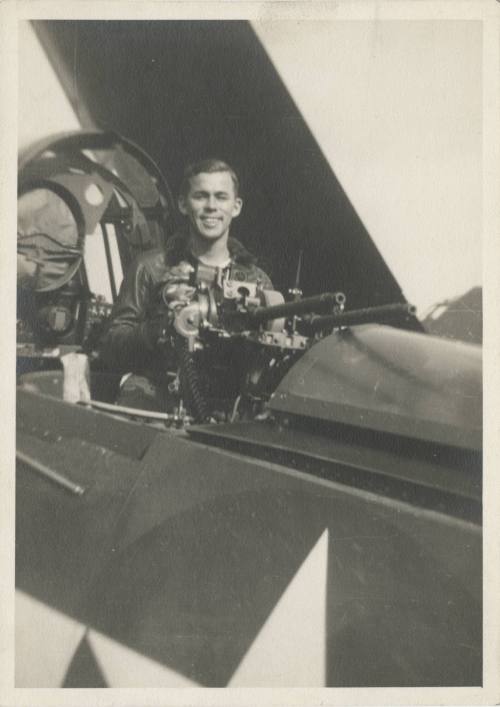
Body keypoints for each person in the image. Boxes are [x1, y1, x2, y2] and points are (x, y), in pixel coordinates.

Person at [98, 158, 272, 412]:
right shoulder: (150, 268)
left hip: (226, 410)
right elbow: (111, 348)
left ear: (236, 207)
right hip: (154, 403)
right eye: (201, 196)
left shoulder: (257, 282)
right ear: (183, 204)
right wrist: (159, 327)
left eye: (221, 197)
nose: (211, 206)